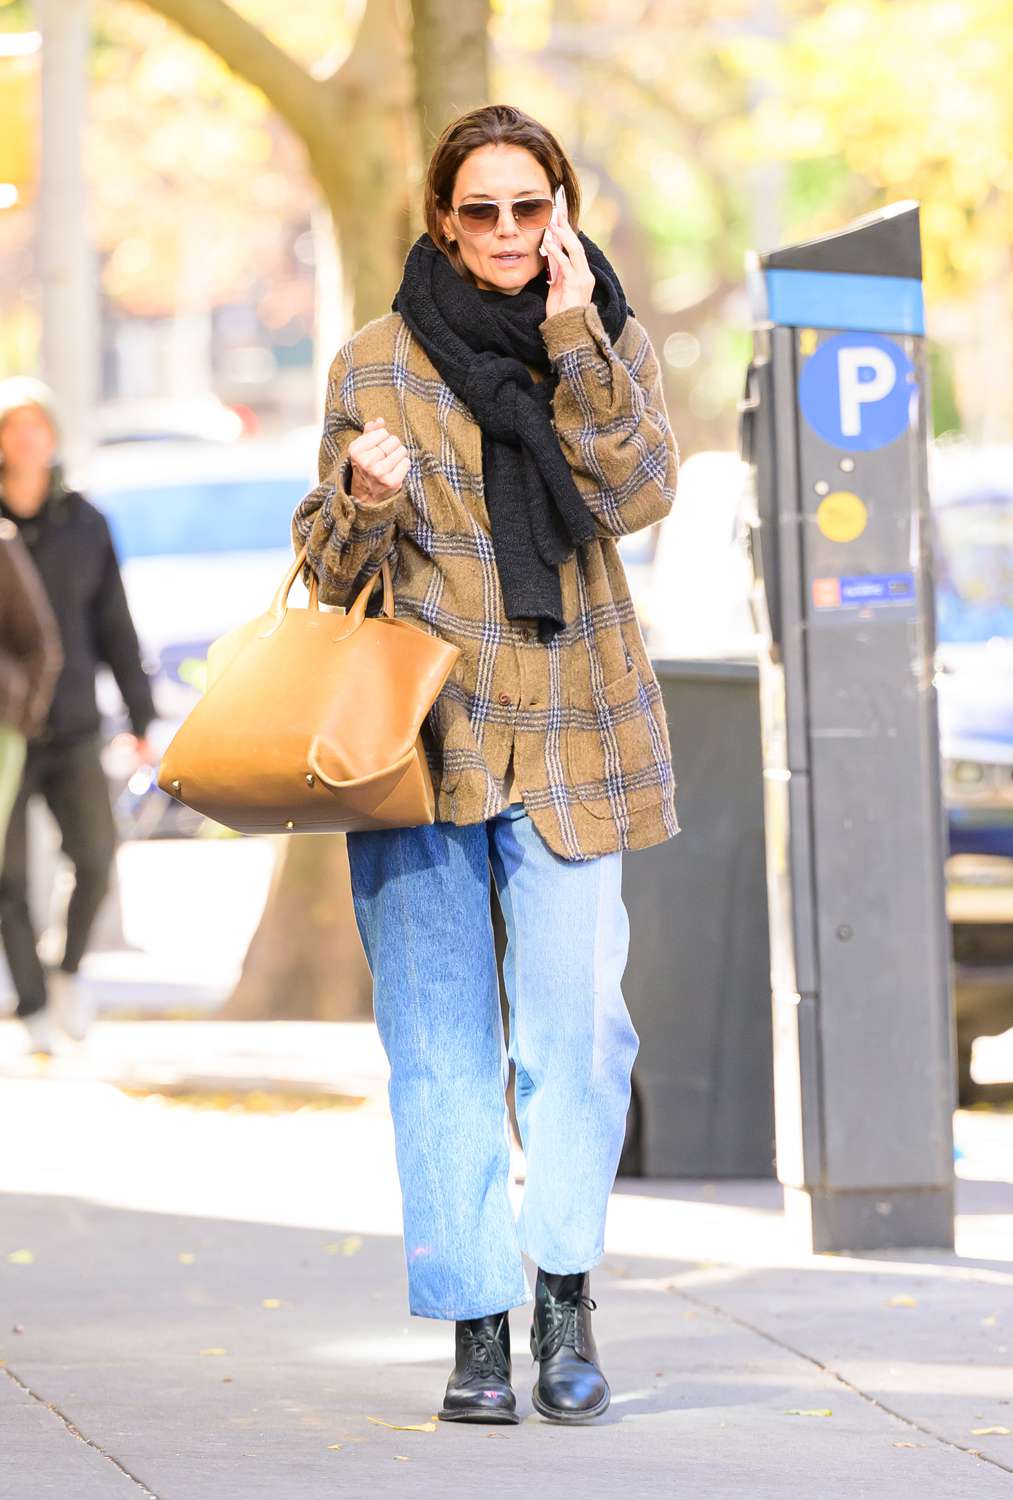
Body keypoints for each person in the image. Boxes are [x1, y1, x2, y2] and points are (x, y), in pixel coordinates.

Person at [293, 105, 680, 1425]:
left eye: (532, 207)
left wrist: (573, 336)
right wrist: (364, 499)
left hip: (576, 741)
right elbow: (326, 569)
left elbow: (637, 494)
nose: (510, 235)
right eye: (483, 212)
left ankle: (564, 1302)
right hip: (426, 751)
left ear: (560, 209)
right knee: (441, 1052)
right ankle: (475, 1326)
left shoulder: (607, 340)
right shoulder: (375, 362)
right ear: (441, 221)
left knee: (572, 1047)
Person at [0, 381, 156, 1053]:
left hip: (72, 725)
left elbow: (115, 626)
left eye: (38, 427)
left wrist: (140, 715)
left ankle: (68, 974)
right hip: (5, 732)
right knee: (4, 878)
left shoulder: (85, 522)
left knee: (95, 857)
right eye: (14, 427)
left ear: (54, 437)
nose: (28, 440)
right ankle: (32, 1004)